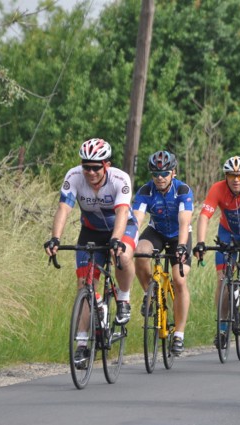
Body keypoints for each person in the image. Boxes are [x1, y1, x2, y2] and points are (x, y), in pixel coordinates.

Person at [44, 138, 138, 366]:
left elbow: (123, 213)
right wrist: (55, 238)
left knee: (122, 256)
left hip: (122, 227)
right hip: (91, 231)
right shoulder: (74, 176)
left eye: (96, 167)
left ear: (107, 165)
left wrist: (116, 240)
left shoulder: (120, 179)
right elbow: (64, 208)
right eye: (86, 166)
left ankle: (123, 300)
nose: (90, 172)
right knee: (84, 286)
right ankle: (83, 345)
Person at [132, 151, 194, 356]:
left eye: (165, 173)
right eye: (156, 173)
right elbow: (137, 220)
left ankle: (179, 335)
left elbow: (185, 222)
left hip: (179, 234)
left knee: (179, 280)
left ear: (173, 173)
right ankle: (149, 293)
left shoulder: (183, 190)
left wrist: (182, 246)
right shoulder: (145, 191)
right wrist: (127, 241)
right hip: (157, 231)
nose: (160, 177)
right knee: (140, 253)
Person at [194, 156, 240, 349]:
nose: (236, 179)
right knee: (222, 280)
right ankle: (222, 329)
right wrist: (200, 243)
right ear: (226, 176)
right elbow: (204, 216)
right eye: (231, 175)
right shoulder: (218, 188)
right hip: (227, 231)